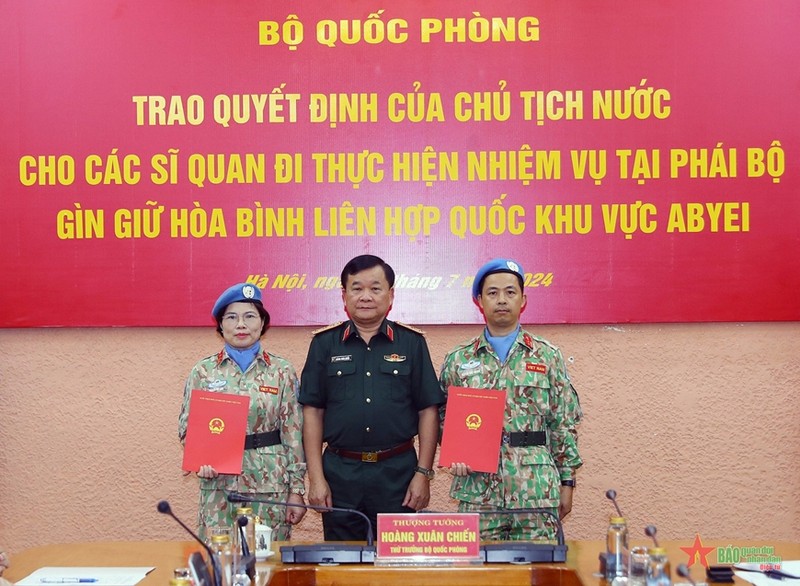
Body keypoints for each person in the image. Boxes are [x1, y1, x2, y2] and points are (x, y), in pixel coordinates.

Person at [299, 254, 444, 541]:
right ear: (344, 295)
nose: (366, 296)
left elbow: (428, 410)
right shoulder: (323, 344)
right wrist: (316, 479)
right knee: (342, 568)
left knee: (397, 569)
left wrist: (423, 474)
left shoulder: (412, 343)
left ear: (390, 295)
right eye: (357, 288)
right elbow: (312, 413)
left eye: (375, 288)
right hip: (340, 475)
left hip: (398, 475)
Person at [438, 258, 583, 541]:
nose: (501, 300)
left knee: (539, 572)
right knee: (477, 574)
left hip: (536, 489)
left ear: (523, 299)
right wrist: (456, 453)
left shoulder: (547, 356)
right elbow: (443, 416)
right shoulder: (459, 359)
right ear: (480, 301)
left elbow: (563, 423)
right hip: (478, 490)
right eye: (492, 293)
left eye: (510, 292)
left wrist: (567, 482)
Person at [178, 283, 306, 540]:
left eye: (249, 316)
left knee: (268, 563)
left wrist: (297, 490)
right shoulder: (203, 372)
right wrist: (200, 459)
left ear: (262, 323)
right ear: (221, 325)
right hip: (219, 486)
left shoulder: (281, 371)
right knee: (219, 561)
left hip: (269, 485)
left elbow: (293, 433)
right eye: (232, 317)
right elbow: (187, 428)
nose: (241, 325)